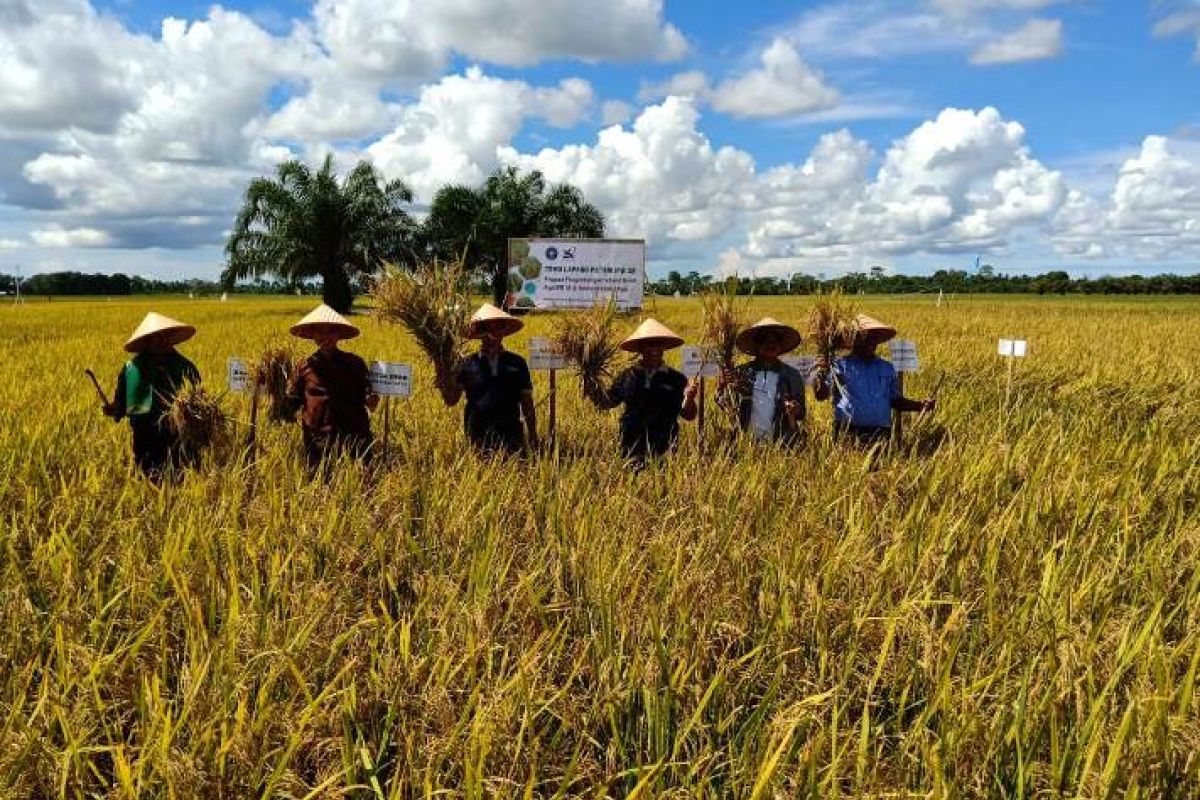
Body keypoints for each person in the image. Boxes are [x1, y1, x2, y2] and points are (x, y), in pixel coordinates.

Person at [103, 312, 201, 480]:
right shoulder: (131, 368)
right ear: (147, 340)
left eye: (166, 336)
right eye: (157, 337)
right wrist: (114, 409)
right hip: (144, 435)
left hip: (177, 435)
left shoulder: (185, 367)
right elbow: (122, 403)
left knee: (180, 479)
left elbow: (199, 402)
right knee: (147, 478)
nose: (163, 340)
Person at [589, 318, 699, 465]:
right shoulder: (628, 375)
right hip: (630, 445)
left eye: (658, 344)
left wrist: (690, 398)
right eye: (649, 344)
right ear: (640, 348)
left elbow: (689, 415)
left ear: (664, 347)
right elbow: (606, 402)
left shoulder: (676, 379)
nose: (654, 349)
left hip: (665, 446)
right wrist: (590, 383)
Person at [812, 314, 935, 445]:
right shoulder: (840, 365)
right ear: (854, 340)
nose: (871, 343)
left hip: (880, 433)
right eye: (866, 338)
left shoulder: (887, 368)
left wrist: (919, 405)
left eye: (874, 339)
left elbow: (895, 400)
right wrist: (820, 373)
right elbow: (821, 395)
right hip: (848, 432)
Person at [284, 304, 379, 467]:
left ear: (339, 335)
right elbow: (294, 401)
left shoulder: (355, 363)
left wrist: (371, 400)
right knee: (319, 482)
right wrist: (276, 395)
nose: (325, 336)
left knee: (359, 482)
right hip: (317, 438)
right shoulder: (303, 366)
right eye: (320, 331)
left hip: (353, 434)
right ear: (312, 335)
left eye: (331, 331)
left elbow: (368, 394)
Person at [437, 303, 538, 455]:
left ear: (504, 331)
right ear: (479, 333)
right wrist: (443, 379)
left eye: (498, 328)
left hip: (511, 435)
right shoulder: (466, 363)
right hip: (477, 434)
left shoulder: (517, 362)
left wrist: (533, 434)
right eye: (487, 329)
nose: (493, 334)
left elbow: (527, 401)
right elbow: (451, 400)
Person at [717, 317, 808, 445]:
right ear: (756, 345)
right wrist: (722, 387)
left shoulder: (792, 375)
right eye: (764, 340)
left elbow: (801, 413)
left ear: (781, 346)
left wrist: (795, 408)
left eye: (775, 341)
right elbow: (725, 405)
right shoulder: (740, 373)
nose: (770, 345)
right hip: (745, 444)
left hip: (782, 444)